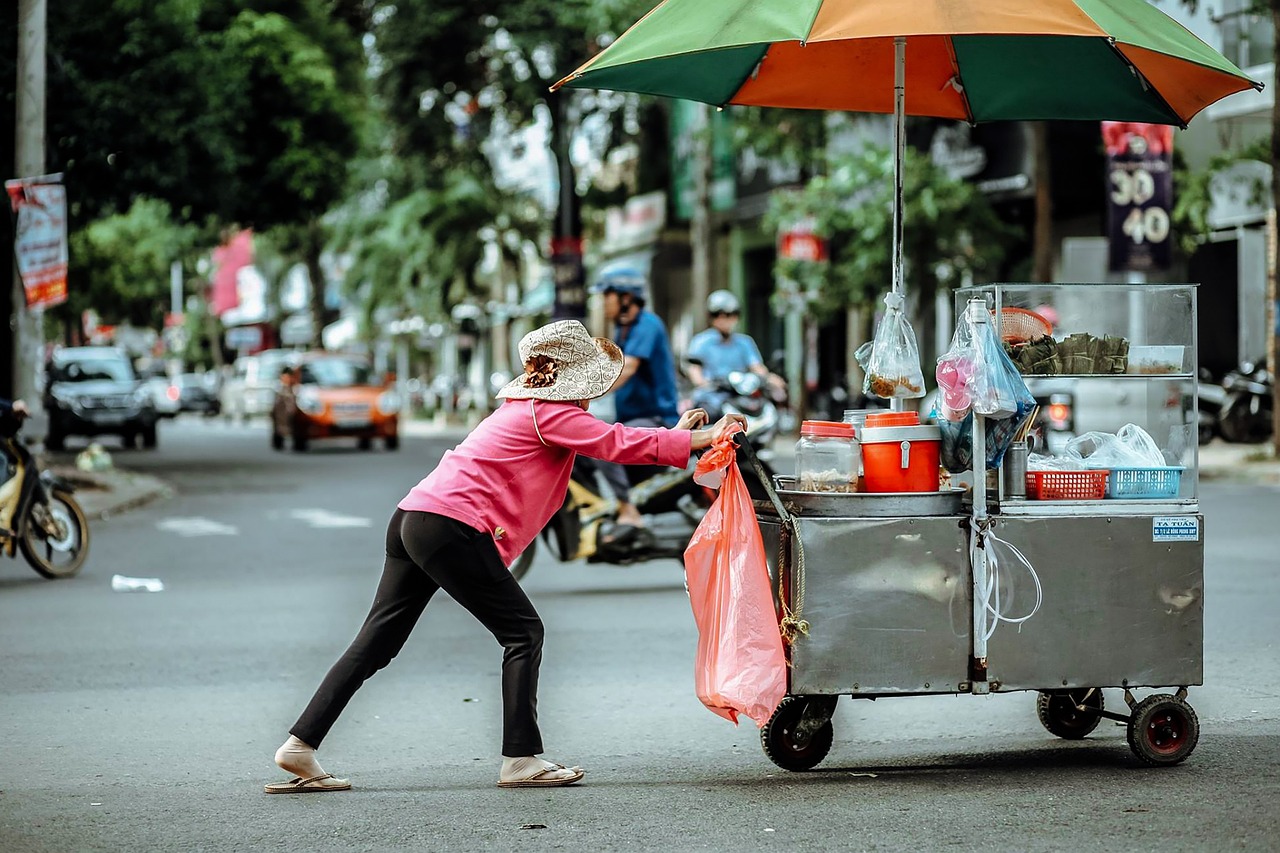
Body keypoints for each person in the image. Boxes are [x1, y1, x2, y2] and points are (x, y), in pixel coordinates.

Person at [265, 320, 744, 794]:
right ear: (575, 380)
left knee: (376, 641)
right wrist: (699, 439)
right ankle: (520, 758)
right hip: (450, 527)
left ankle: (300, 745)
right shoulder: (549, 412)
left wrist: (679, 436)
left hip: (415, 517)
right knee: (522, 631)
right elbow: (614, 443)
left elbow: (609, 441)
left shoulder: (527, 409)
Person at [588, 265, 680, 532]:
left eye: (608, 296)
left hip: (656, 417)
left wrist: (587, 393)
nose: (604, 303)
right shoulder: (623, 329)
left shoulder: (647, 325)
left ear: (626, 297)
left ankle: (628, 509)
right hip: (631, 417)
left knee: (602, 445)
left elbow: (627, 367)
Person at [686, 290, 784, 390]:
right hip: (712, 393)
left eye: (728, 315)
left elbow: (756, 367)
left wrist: (770, 378)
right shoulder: (700, 341)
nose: (722, 319)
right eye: (716, 314)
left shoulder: (745, 342)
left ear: (736, 317)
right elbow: (694, 370)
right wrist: (703, 384)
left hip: (740, 392)